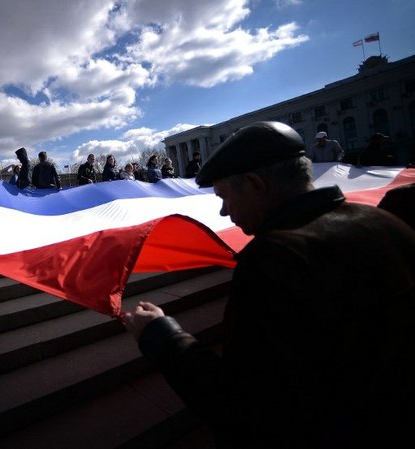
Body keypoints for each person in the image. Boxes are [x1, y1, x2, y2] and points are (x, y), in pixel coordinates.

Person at [123, 121, 415, 448]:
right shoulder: (386, 223)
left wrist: (163, 336)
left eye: (224, 197)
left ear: (254, 184)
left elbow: (245, 404)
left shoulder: (274, 259)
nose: (223, 211)